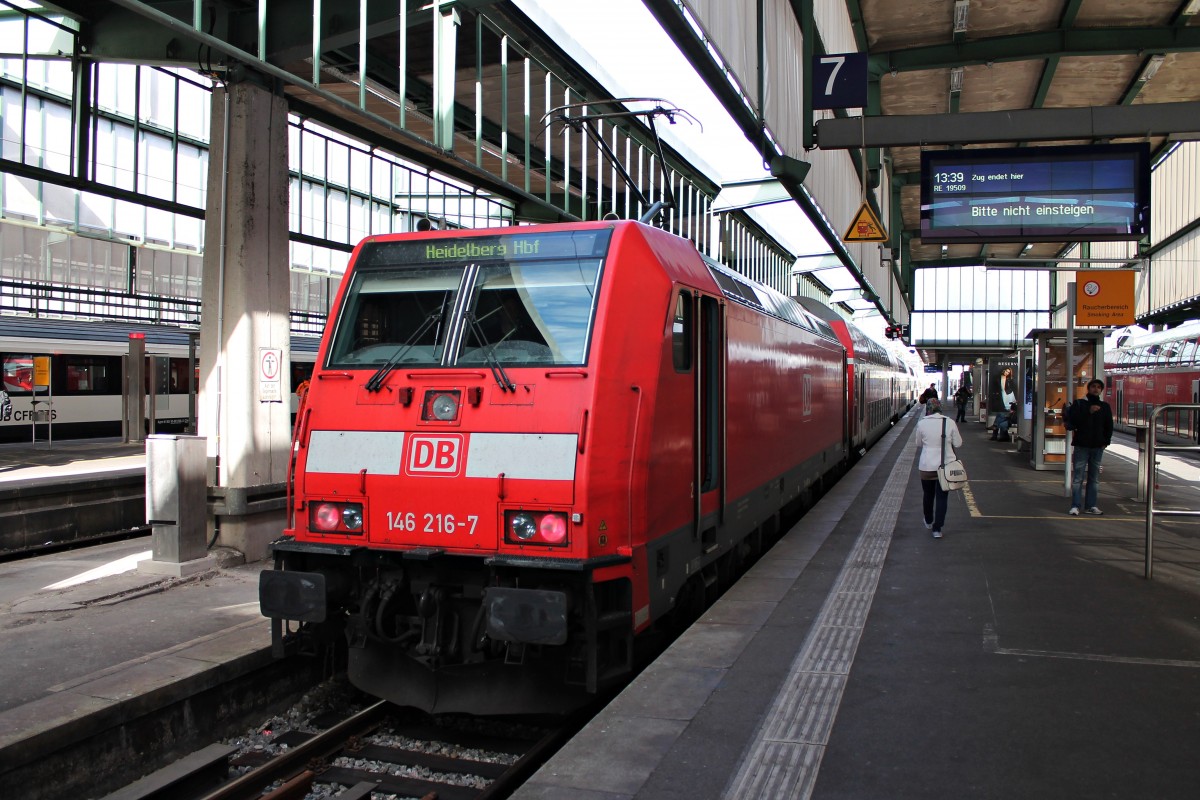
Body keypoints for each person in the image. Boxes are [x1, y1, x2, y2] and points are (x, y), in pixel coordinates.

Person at [914, 397, 963, 539]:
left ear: (928, 409)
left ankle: (928, 521)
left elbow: (918, 443)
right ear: (940, 407)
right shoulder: (949, 422)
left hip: (927, 466)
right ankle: (937, 529)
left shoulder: (922, 424)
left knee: (928, 495)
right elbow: (958, 443)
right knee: (942, 498)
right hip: (945, 466)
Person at [1065, 378, 1113, 516]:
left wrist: (1106, 442)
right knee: (1078, 477)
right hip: (1082, 445)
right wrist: (1089, 412)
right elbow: (1074, 422)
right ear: (1089, 388)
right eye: (1093, 386)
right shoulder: (1080, 404)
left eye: (1099, 387)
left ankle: (1091, 505)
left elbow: (1109, 426)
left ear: (1101, 390)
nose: (1096, 389)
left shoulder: (1105, 407)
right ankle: (1075, 505)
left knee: (1094, 478)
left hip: (1098, 446)